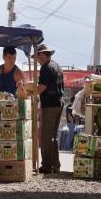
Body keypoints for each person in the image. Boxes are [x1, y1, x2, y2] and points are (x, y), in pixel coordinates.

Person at [32, 44, 64, 174]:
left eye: (37, 57)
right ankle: (55, 165)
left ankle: (47, 166)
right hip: (58, 103)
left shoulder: (46, 68)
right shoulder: (56, 65)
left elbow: (42, 87)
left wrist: (30, 91)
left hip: (50, 105)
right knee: (53, 137)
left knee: (46, 137)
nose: (37, 60)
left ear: (42, 55)